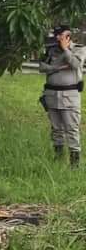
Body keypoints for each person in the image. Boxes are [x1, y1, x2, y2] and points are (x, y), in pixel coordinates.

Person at [39, 24, 86, 167]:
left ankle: (74, 163)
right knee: (56, 129)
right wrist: (58, 68)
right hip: (52, 95)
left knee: (72, 128)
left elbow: (75, 64)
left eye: (60, 35)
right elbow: (42, 67)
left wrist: (66, 49)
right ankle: (58, 158)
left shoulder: (79, 49)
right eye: (56, 34)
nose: (57, 37)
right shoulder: (51, 50)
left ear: (68, 36)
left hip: (69, 96)